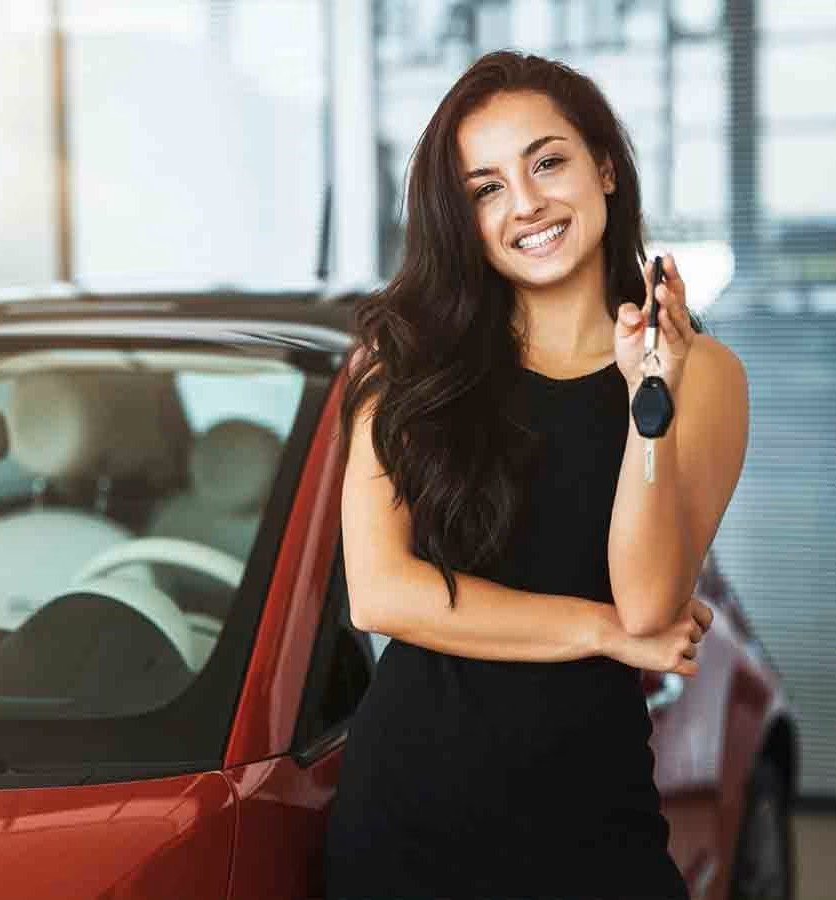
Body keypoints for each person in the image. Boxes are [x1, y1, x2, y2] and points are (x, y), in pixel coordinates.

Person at [325, 49, 750, 900]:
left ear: (603, 165)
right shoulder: (411, 357)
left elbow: (650, 603)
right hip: (407, 819)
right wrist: (600, 633)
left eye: (546, 161)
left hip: (590, 817)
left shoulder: (700, 375)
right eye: (485, 188)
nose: (525, 205)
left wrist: (646, 399)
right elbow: (381, 594)